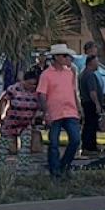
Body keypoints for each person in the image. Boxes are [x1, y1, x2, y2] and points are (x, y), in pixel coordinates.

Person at [36, 43, 82, 178]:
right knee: (54, 143)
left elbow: (74, 91)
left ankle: (64, 165)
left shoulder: (70, 73)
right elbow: (42, 94)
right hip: (54, 113)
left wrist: (78, 108)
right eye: (64, 55)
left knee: (75, 140)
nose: (68, 58)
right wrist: (46, 112)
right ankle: (55, 170)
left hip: (70, 111)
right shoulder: (46, 75)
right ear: (56, 57)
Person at [0, 67, 42, 174]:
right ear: (24, 81)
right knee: (2, 147)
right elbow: (3, 100)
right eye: (30, 84)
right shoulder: (14, 89)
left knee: (25, 147)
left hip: (26, 124)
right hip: (10, 123)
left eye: (34, 84)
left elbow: (39, 106)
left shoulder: (37, 93)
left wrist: (37, 117)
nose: (32, 87)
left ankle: (22, 171)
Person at [78, 53, 104, 154]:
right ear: (91, 63)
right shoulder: (89, 75)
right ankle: (89, 147)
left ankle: (89, 146)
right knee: (91, 126)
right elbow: (92, 92)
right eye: (96, 62)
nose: (98, 64)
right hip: (90, 103)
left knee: (89, 125)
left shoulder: (83, 73)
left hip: (86, 102)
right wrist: (97, 104)